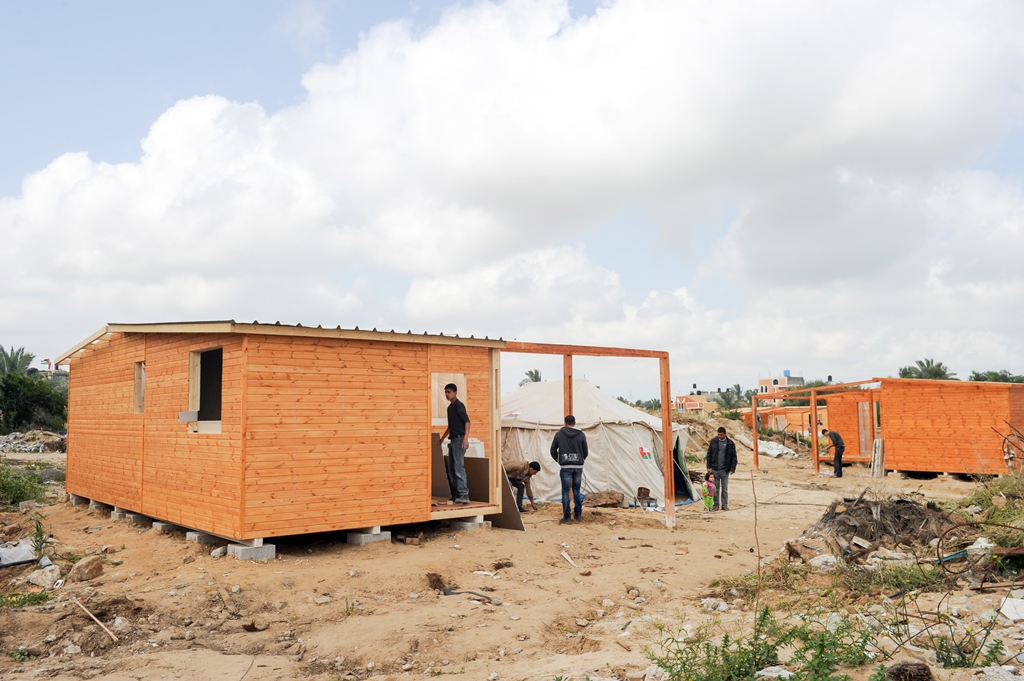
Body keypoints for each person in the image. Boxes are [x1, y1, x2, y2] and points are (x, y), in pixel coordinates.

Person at [550, 414, 588, 524]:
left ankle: (567, 517)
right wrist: (580, 460)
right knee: (576, 490)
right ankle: (578, 515)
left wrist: (560, 459)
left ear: (565, 423)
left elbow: (553, 450)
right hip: (578, 467)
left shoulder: (559, 434)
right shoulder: (581, 435)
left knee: (565, 491)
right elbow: (585, 452)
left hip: (565, 466)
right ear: (575, 423)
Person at [439, 383, 471, 504]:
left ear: (455, 393)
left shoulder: (459, 406)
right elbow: (451, 425)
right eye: (446, 392)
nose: (447, 394)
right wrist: (442, 438)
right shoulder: (450, 408)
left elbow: (467, 422)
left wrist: (465, 439)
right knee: (452, 468)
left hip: (459, 439)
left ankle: (464, 494)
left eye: (449, 392)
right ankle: (457, 494)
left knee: (458, 467)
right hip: (452, 440)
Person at [705, 426, 737, 511]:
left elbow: (734, 457)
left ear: (725, 434)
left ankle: (724, 505)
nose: (720, 436)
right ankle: (716, 505)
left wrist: (732, 468)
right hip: (715, 469)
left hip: (725, 470)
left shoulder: (730, 443)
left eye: (721, 435)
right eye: (718, 434)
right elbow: (709, 454)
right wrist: (708, 466)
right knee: (715, 488)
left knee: (724, 488)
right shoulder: (714, 442)